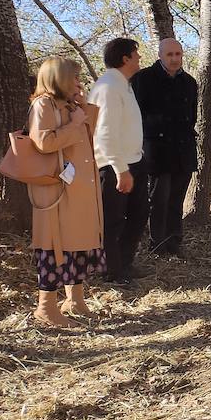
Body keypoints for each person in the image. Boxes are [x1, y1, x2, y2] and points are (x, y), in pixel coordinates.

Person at [26, 57, 104, 327]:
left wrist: (82, 107)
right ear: (58, 78)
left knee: (78, 244)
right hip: (57, 191)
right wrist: (73, 122)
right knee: (55, 246)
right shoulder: (43, 104)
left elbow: (88, 136)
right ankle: (46, 307)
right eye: (73, 77)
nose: (77, 81)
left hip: (79, 189)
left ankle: (75, 300)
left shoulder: (70, 104)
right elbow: (43, 142)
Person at [131, 38, 197, 256]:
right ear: (160, 55)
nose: (175, 59)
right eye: (170, 55)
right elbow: (139, 115)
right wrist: (162, 123)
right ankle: (157, 244)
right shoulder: (144, 79)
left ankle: (174, 242)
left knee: (176, 200)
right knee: (159, 199)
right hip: (158, 150)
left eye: (178, 54)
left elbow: (191, 117)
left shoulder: (189, 82)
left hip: (183, 149)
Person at [89, 37, 147, 285]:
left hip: (133, 161)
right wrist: (120, 169)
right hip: (114, 166)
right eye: (136, 54)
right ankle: (110, 270)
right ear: (125, 58)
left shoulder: (124, 84)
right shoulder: (108, 86)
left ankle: (124, 263)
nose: (139, 59)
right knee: (112, 221)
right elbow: (104, 133)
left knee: (138, 214)